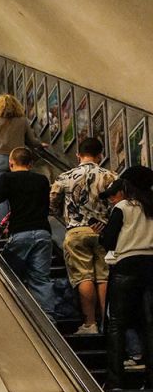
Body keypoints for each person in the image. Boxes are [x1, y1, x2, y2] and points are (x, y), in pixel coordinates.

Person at [0, 147, 54, 313]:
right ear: (30, 163)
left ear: (11, 163)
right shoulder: (42, 180)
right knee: (41, 278)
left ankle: (12, 311)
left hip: (21, 233)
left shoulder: (7, 178)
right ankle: (49, 318)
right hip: (43, 233)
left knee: (7, 272)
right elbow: (46, 206)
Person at [51, 137, 118, 334]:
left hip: (76, 231)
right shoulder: (111, 177)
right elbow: (118, 204)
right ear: (100, 156)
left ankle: (90, 323)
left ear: (78, 154)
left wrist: (65, 218)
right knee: (104, 276)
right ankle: (107, 323)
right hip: (104, 231)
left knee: (83, 276)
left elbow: (53, 201)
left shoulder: (65, 176)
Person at [99, 166, 153, 390]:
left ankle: (115, 380)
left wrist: (103, 234)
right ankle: (150, 380)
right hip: (151, 265)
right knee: (150, 324)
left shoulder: (123, 207)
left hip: (127, 266)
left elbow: (109, 241)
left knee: (117, 325)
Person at [0, 94, 43, 224]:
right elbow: (32, 141)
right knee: (19, 192)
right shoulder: (22, 120)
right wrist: (40, 143)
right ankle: (18, 222)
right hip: (18, 159)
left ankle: (2, 225)